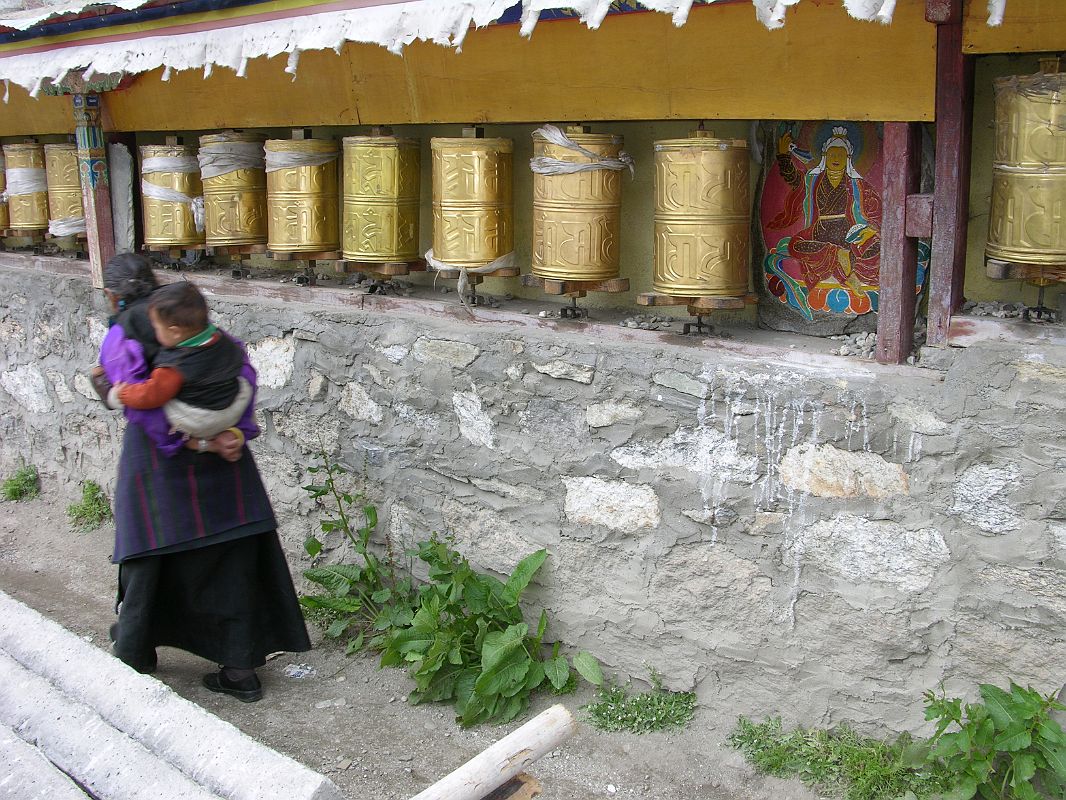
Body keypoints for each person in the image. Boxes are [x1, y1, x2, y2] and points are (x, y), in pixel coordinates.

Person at [91, 253, 310, 702]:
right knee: (232, 558)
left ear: (112, 295)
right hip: (228, 459)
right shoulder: (194, 319)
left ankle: (137, 653)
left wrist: (190, 443)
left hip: (160, 459)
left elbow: (141, 404)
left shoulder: (125, 332)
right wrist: (233, 431)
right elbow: (242, 375)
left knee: (150, 556)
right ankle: (239, 671)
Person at [109, 281, 252, 445]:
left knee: (161, 401)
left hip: (203, 420)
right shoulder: (222, 339)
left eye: (156, 327)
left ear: (175, 332)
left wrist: (122, 394)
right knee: (243, 383)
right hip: (235, 406)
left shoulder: (174, 366)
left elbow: (150, 394)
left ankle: (192, 442)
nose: (155, 332)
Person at [768, 126, 882, 295]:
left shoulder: (856, 184)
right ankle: (839, 257)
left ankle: (842, 261)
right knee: (795, 245)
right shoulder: (812, 180)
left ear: (848, 157)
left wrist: (870, 230)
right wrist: (784, 156)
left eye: (841, 154)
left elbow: (876, 210)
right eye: (832, 154)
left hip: (847, 232)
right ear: (825, 156)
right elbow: (793, 179)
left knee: (878, 245)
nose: (836, 158)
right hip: (820, 232)